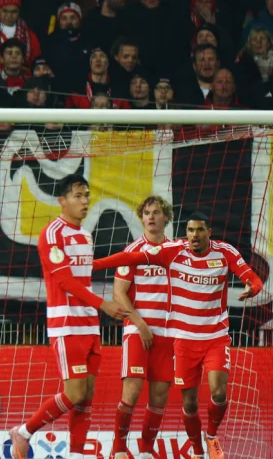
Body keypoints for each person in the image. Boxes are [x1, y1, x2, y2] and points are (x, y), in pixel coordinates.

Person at [93, 213, 265, 459]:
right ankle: (197, 452)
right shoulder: (172, 250)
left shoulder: (224, 252)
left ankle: (212, 436)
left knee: (218, 392)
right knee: (190, 404)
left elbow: (250, 276)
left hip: (215, 335)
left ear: (209, 232)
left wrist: (253, 287)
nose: (194, 235)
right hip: (183, 339)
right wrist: (96, 265)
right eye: (190, 230)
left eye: (199, 230)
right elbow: (132, 257)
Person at [10, 175, 131, 459]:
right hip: (66, 325)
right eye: (78, 195)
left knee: (86, 396)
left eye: (87, 195)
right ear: (62, 201)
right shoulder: (53, 233)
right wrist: (104, 304)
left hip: (89, 324)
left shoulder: (85, 236)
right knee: (74, 393)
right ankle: (24, 432)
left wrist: (127, 258)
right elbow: (64, 281)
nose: (85, 201)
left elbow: (86, 273)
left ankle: (76, 454)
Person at [109, 196, 175, 459]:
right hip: (138, 331)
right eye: (146, 213)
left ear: (166, 217)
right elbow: (118, 293)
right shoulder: (132, 252)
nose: (151, 217)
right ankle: (119, 449)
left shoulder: (177, 252)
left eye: (156, 212)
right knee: (132, 391)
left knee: (159, 397)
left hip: (168, 335)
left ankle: (146, 450)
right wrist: (140, 323)